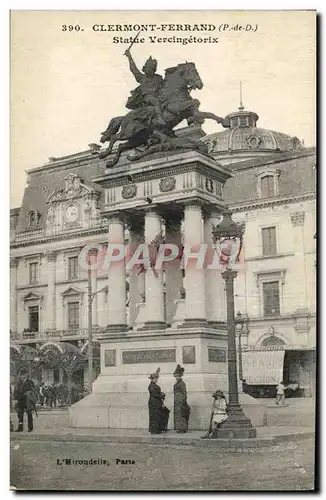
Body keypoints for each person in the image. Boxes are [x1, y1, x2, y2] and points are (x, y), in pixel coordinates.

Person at [124, 49, 165, 124]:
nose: (149, 70)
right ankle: (160, 118)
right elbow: (134, 69)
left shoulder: (158, 78)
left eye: (151, 69)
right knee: (155, 101)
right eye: (148, 68)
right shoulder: (142, 78)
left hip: (159, 96)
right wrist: (129, 57)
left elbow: (165, 86)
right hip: (147, 98)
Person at [148, 368, 169, 434]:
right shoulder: (153, 386)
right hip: (155, 403)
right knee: (156, 416)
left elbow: (156, 393)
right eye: (155, 378)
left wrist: (161, 394)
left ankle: (158, 429)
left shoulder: (152, 385)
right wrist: (162, 395)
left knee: (156, 416)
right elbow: (155, 394)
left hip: (155, 403)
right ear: (152, 379)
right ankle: (156, 430)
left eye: (156, 378)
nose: (156, 379)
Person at [173, 365, 190, 433]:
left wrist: (183, 401)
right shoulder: (177, 383)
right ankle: (179, 428)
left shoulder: (182, 383)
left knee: (181, 415)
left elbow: (184, 393)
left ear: (181, 376)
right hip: (177, 401)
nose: (177, 377)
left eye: (178, 376)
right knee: (178, 415)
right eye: (176, 376)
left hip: (181, 402)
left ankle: (183, 429)